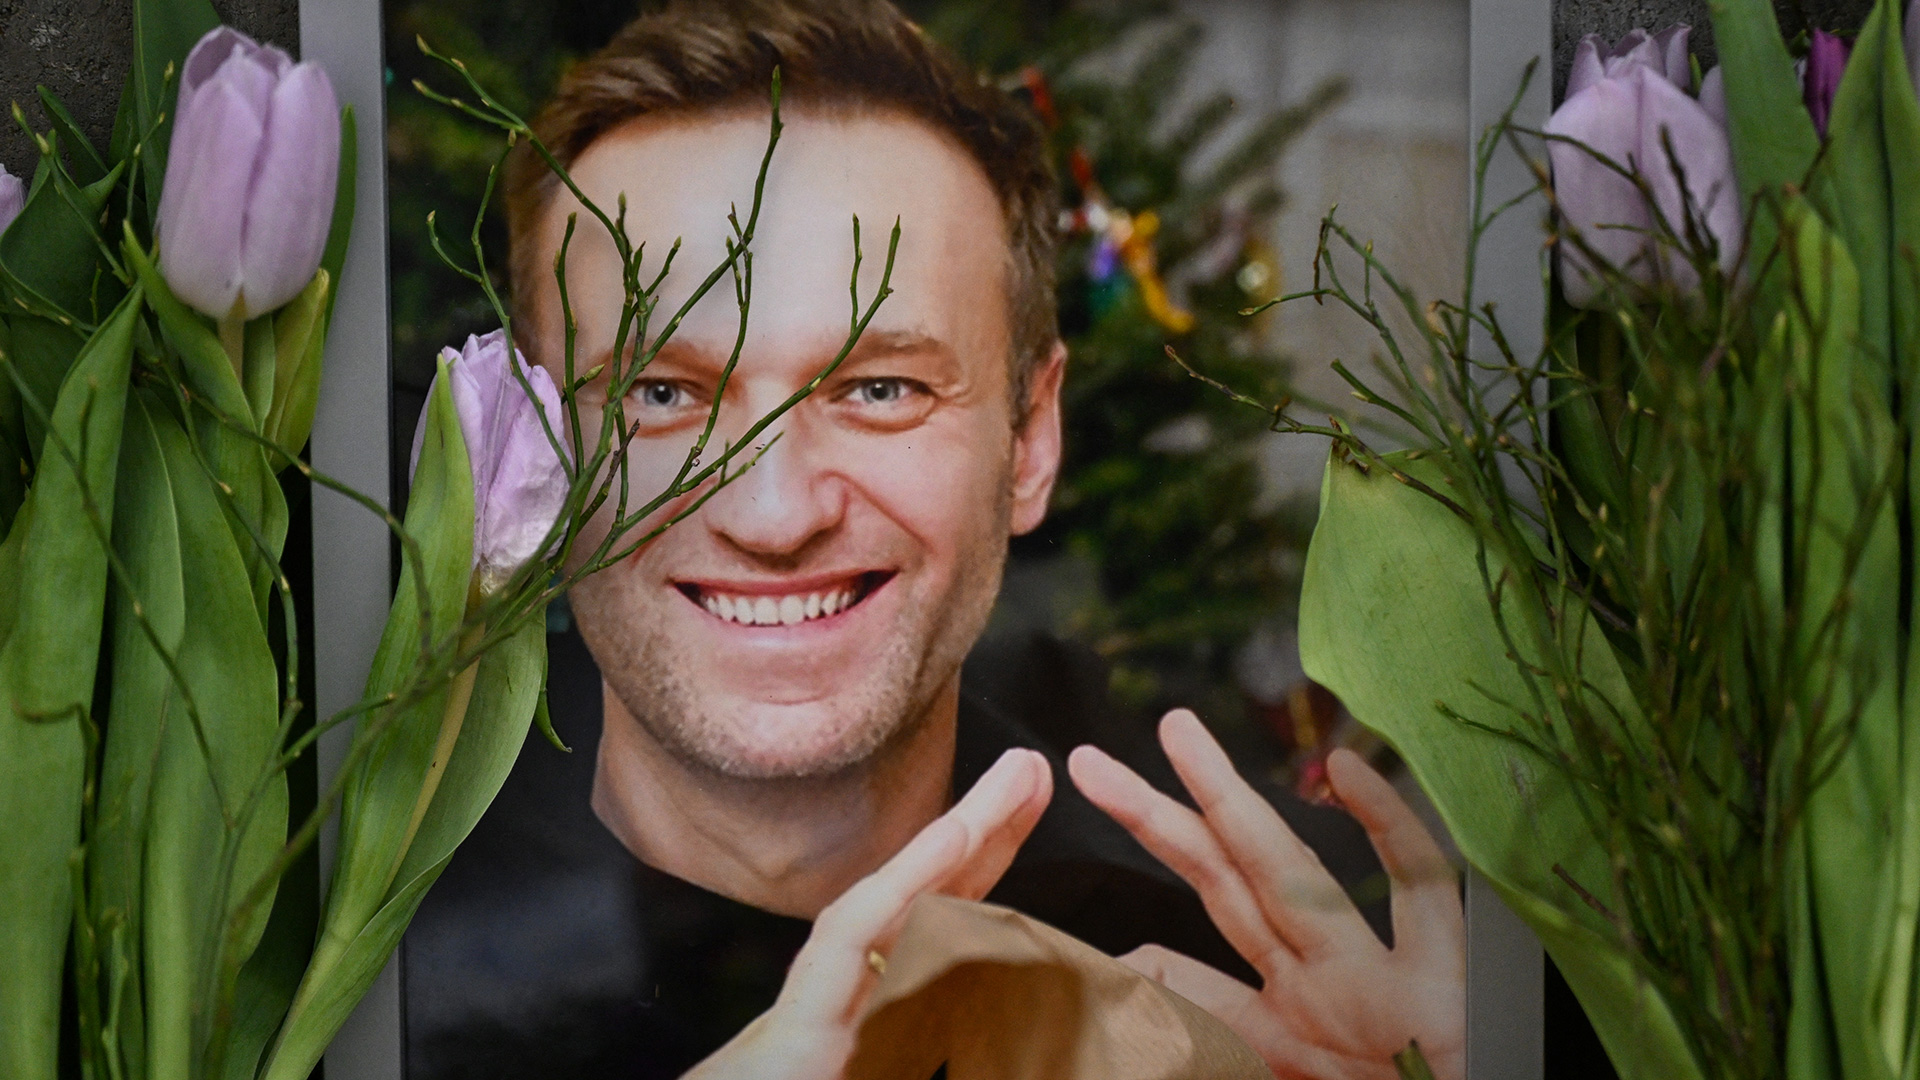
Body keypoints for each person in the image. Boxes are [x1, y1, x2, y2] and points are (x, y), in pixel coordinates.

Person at [404, 2, 1465, 1077]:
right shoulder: (370, 960)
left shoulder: (1267, 961)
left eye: (881, 389)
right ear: (536, 440)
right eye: (662, 395)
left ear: (1031, 441)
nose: (775, 515)